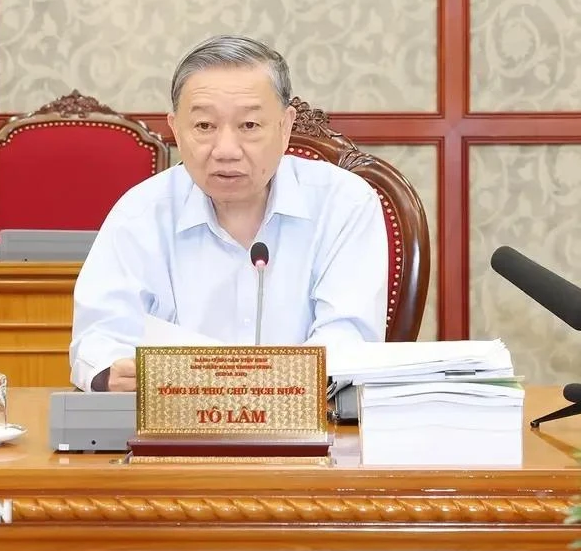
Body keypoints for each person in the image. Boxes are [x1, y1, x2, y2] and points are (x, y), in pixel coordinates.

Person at [69, 35, 388, 392]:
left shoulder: (344, 204)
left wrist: (263, 390)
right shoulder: (140, 213)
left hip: (311, 432)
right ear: (175, 129)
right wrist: (114, 370)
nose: (225, 150)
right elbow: (97, 341)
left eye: (249, 126)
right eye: (204, 126)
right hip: (174, 433)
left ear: (284, 128)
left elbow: (349, 339)